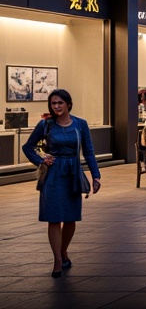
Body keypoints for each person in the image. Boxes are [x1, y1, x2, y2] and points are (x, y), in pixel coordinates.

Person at [21, 89, 101, 277]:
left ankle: (64, 250)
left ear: (68, 104)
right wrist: (41, 160)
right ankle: (57, 259)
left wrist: (96, 176)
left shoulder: (81, 124)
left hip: (73, 172)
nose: (56, 106)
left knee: (71, 218)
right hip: (53, 175)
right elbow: (27, 147)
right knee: (54, 217)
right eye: (53, 103)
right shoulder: (46, 125)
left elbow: (88, 151)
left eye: (60, 103)